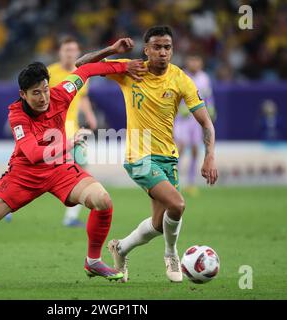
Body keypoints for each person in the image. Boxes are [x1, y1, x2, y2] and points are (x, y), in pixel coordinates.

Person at [0, 59, 146, 287]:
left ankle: (93, 261)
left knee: (103, 201)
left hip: (59, 170)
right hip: (23, 176)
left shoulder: (61, 93)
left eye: (45, 89)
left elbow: (87, 70)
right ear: (23, 94)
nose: (43, 97)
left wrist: (123, 66)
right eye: (36, 93)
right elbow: (34, 153)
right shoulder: (17, 115)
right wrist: (68, 143)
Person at [75, 26, 218, 283]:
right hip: (137, 155)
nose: (163, 53)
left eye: (167, 48)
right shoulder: (130, 69)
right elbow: (81, 64)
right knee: (178, 204)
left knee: (158, 223)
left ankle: (120, 249)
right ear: (146, 49)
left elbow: (206, 123)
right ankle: (171, 254)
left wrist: (209, 156)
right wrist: (111, 51)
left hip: (167, 156)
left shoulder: (181, 79)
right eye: (157, 47)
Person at [48, 36, 98, 227]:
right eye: (66, 50)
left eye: (73, 50)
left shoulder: (81, 74)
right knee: (38, 172)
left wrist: (90, 115)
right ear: (60, 52)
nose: (70, 54)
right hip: (51, 130)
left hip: (73, 129)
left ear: (78, 53)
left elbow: (83, 97)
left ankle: (71, 216)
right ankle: (7, 205)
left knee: (82, 168)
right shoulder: (50, 73)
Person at [174, 54, 216, 196]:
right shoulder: (181, 75)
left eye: (197, 60)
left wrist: (211, 109)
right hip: (182, 120)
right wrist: (180, 109)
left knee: (195, 150)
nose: (194, 63)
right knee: (179, 148)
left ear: (201, 62)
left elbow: (208, 96)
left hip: (196, 120)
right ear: (187, 61)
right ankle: (175, 183)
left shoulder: (204, 78)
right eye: (192, 59)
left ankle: (191, 183)